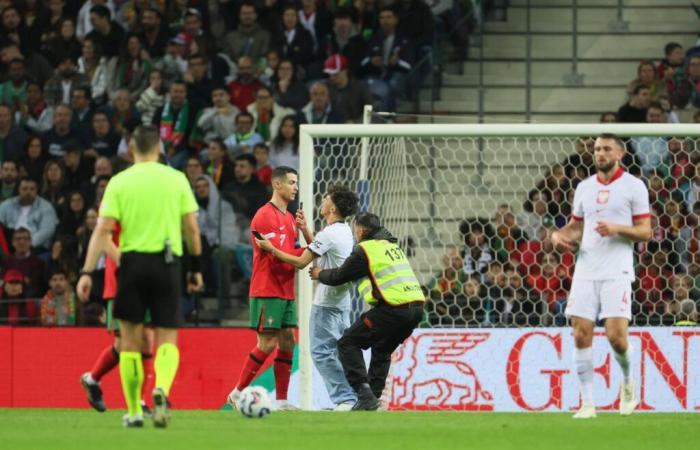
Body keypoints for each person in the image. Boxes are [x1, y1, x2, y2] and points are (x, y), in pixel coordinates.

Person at [77, 125, 202, 428]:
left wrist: (86, 272)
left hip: (131, 265)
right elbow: (191, 229)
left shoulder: (119, 182)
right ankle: (161, 388)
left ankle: (133, 411)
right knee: (166, 338)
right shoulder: (177, 180)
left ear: (131, 149)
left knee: (130, 343)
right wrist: (195, 268)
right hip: (167, 264)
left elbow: (102, 231)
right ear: (160, 147)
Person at [551, 133, 651, 419]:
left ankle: (628, 382)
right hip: (585, 269)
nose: (600, 153)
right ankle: (587, 403)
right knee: (581, 333)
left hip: (616, 271)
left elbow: (645, 231)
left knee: (616, 338)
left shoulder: (634, 187)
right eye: (596, 149)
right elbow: (575, 227)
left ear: (619, 153)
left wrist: (617, 228)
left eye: (606, 149)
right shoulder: (584, 187)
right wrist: (559, 236)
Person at [255, 184, 359, 410]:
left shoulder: (330, 233)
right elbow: (321, 252)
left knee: (321, 352)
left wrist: (271, 248)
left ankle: (345, 398)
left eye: (326, 198)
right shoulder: (343, 231)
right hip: (341, 303)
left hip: (327, 304)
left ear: (332, 208)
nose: (323, 200)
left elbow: (302, 262)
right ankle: (354, 396)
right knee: (340, 352)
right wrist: (305, 230)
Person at [310, 212, 425, 410]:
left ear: (361, 230)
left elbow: (339, 276)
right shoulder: (391, 246)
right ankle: (372, 399)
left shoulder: (365, 249)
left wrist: (320, 274)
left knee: (348, 343)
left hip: (393, 308)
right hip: (416, 309)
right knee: (382, 348)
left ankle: (364, 394)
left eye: (356, 229)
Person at [226, 166, 302, 411]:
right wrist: (312, 253)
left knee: (288, 341)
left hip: (286, 290)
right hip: (267, 288)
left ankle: (280, 401)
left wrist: (309, 248)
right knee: (267, 343)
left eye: (296, 183)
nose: (296, 187)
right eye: (291, 182)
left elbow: (290, 253)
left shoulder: (290, 219)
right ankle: (237, 393)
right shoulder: (264, 216)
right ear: (277, 185)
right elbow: (279, 257)